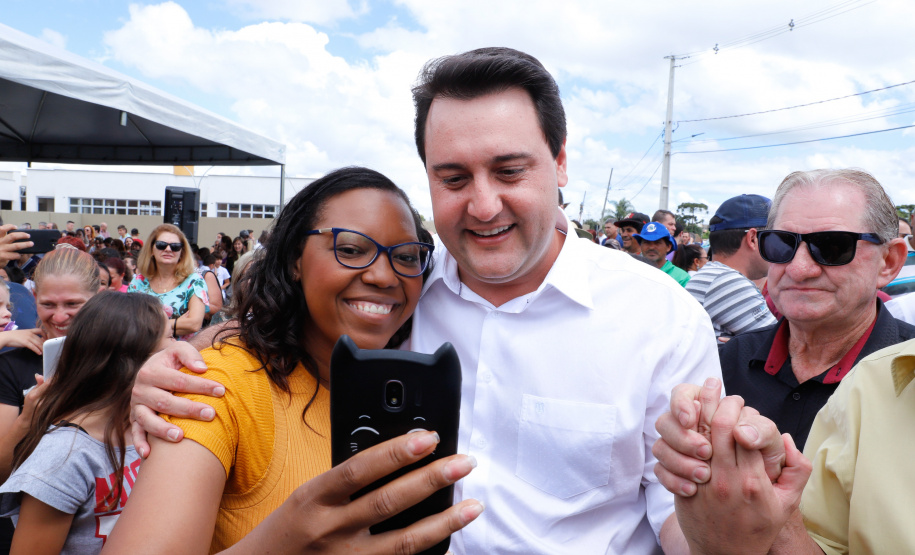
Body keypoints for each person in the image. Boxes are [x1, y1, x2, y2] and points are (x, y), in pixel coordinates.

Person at [130, 48, 719, 554]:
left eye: (510, 171)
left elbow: (679, 512)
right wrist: (172, 361)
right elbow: (279, 335)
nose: (484, 205)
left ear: (560, 162)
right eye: (454, 179)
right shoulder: (408, 290)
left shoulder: (660, 319)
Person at [104, 167, 480, 553]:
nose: (384, 276)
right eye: (350, 249)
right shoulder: (217, 385)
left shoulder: (417, 377)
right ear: (294, 259)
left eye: (405, 256)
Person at [0, 292, 171, 555]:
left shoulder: (149, 423)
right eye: (169, 341)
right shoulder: (62, 459)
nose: (177, 350)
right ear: (134, 360)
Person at [0, 247, 100, 551]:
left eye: (73, 304)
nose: (59, 316)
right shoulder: (12, 364)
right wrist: (28, 419)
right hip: (27, 522)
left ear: (97, 299)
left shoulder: (117, 357)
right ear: (34, 299)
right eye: (47, 304)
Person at [685, 194, 777, 341]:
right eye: (775, 237)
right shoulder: (727, 282)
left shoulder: (712, 276)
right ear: (753, 238)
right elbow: (780, 350)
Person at [128, 225, 207, 339]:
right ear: (151, 250)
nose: (168, 249)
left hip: (180, 353)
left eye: (175, 246)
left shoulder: (194, 280)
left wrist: (147, 325)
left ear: (182, 252)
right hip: (143, 352)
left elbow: (194, 324)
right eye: (161, 245)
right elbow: (128, 322)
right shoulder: (138, 281)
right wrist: (177, 323)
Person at [634, 222, 690, 286]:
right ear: (640, 246)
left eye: (657, 242)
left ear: (668, 247)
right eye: (646, 242)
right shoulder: (633, 272)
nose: (651, 247)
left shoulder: (682, 278)